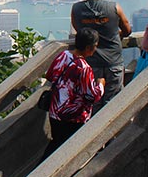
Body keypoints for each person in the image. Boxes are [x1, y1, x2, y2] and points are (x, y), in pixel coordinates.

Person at [71, 0, 132, 111]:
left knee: (93, 102)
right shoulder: (114, 7)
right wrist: (115, 35)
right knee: (114, 102)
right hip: (114, 61)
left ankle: (93, 131)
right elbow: (127, 30)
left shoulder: (76, 9)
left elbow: (79, 30)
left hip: (91, 63)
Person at [42, 28, 105, 159]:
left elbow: (50, 76)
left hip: (55, 112)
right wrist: (101, 84)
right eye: (95, 46)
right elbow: (92, 96)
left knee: (56, 143)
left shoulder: (63, 55)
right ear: (88, 47)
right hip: (73, 117)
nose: (95, 49)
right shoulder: (84, 68)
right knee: (65, 151)